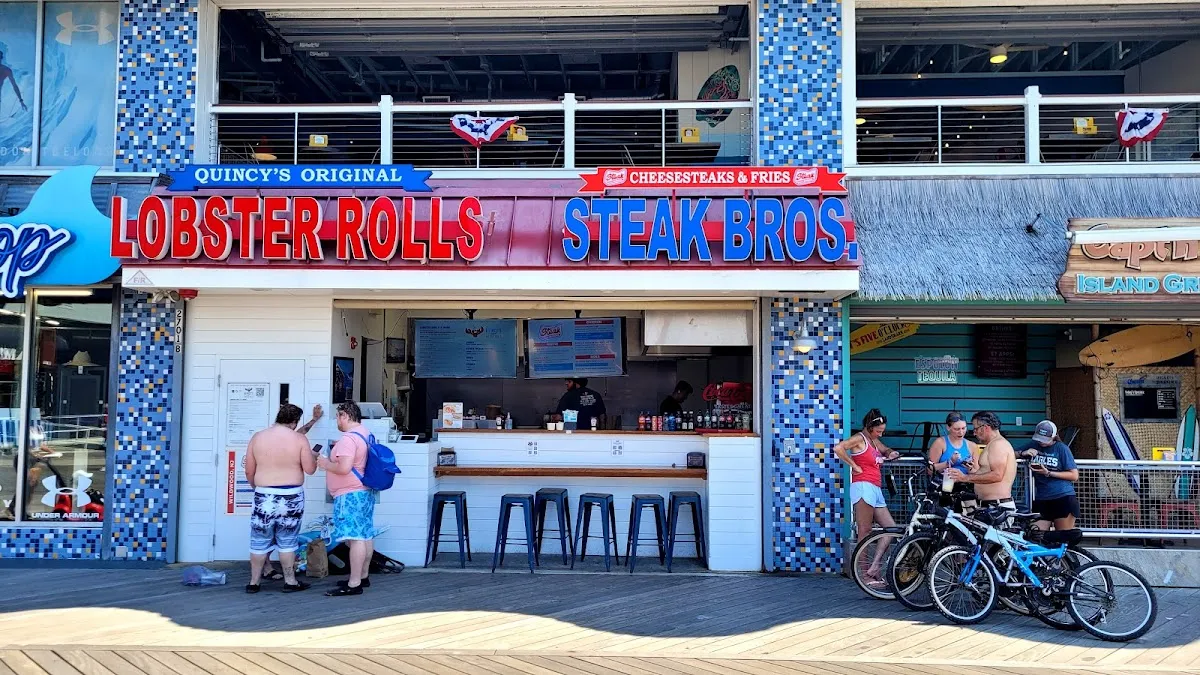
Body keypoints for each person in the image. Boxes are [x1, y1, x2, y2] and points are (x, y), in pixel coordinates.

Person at [244, 403, 319, 594]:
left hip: (264, 494)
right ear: (294, 422)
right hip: (291, 495)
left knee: (259, 541)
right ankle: (290, 581)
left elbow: (249, 470)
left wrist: (258, 488)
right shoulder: (299, 439)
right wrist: (314, 456)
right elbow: (310, 469)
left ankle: (254, 583)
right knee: (288, 541)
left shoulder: (258, 437)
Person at [833, 409, 901, 584]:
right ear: (870, 427)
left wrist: (891, 453)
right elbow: (838, 448)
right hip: (863, 486)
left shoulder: (873, 440)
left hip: (875, 487)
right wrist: (854, 466)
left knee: (891, 528)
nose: (881, 434)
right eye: (878, 431)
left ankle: (874, 566)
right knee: (864, 530)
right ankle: (863, 574)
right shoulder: (859, 438)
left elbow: (885, 449)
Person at [319, 401, 376, 597]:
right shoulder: (366, 434)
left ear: (345, 416)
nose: (337, 420)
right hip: (364, 492)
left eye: (337, 416)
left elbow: (343, 468)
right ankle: (363, 576)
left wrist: (325, 463)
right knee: (365, 535)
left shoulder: (348, 439)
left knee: (355, 538)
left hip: (350, 494)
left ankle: (354, 583)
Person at [946, 411, 1017, 524]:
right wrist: (972, 470)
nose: (974, 433)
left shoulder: (998, 445)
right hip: (990, 506)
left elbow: (997, 475)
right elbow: (989, 471)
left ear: (985, 428)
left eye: (975, 429)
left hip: (997, 508)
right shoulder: (993, 444)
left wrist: (965, 478)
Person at [1017, 420, 1080, 531]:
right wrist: (1023, 453)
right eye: (1039, 439)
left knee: (1062, 536)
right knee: (1035, 534)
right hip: (1042, 497)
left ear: (1054, 436)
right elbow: (1010, 454)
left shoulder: (1062, 448)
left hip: (1062, 497)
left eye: (1045, 439)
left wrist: (1048, 473)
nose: (1041, 442)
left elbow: (1074, 475)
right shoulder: (1034, 445)